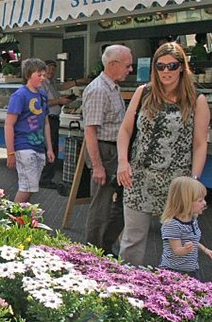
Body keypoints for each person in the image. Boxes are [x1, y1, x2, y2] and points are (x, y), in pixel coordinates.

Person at [116, 42, 210, 266]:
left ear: (181, 67)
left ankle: (173, 290)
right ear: (154, 68)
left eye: (172, 66)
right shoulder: (144, 93)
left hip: (177, 184)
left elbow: (199, 144)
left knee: (180, 241)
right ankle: (124, 288)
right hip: (138, 179)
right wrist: (122, 162)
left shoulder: (196, 100)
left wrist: (194, 181)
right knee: (132, 240)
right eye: (160, 66)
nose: (166, 71)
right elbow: (126, 130)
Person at [82, 45, 133, 254]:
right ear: (113, 64)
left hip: (114, 151)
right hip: (105, 151)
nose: (130, 69)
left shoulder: (112, 87)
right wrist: (97, 166)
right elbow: (90, 131)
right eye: (128, 65)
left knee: (123, 202)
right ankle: (93, 251)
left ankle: (104, 245)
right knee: (101, 205)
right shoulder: (98, 90)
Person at [4, 58, 55, 204]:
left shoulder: (42, 95)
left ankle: (21, 216)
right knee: (27, 187)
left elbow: (45, 122)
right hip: (24, 145)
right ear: (28, 75)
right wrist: (10, 152)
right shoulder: (19, 95)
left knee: (32, 186)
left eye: (43, 75)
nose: (42, 78)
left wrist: (49, 148)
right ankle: (13, 217)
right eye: (39, 75)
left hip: (39, 146)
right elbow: (9, 125)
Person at [39, 60, 89, 189]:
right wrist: (59, 101)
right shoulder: (42, 84)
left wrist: (79, 81)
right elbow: (41, 103)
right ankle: (44, 179)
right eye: (48, 68)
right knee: (50, 147)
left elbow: (63, 86)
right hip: (47, 119)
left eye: (53, 69)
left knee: (52, 147)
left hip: (54, 118)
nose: (51, 71)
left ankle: (46, 177)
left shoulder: (52, 83)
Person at [159, 176, 212, 280]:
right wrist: (185, 249)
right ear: (185, 202)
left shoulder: (193, 219)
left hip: (191, 268)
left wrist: (205, 249)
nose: (204, 203)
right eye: (200, 200)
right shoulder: (172, 224)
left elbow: (191, 239)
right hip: (174, 271)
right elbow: (176, 250)